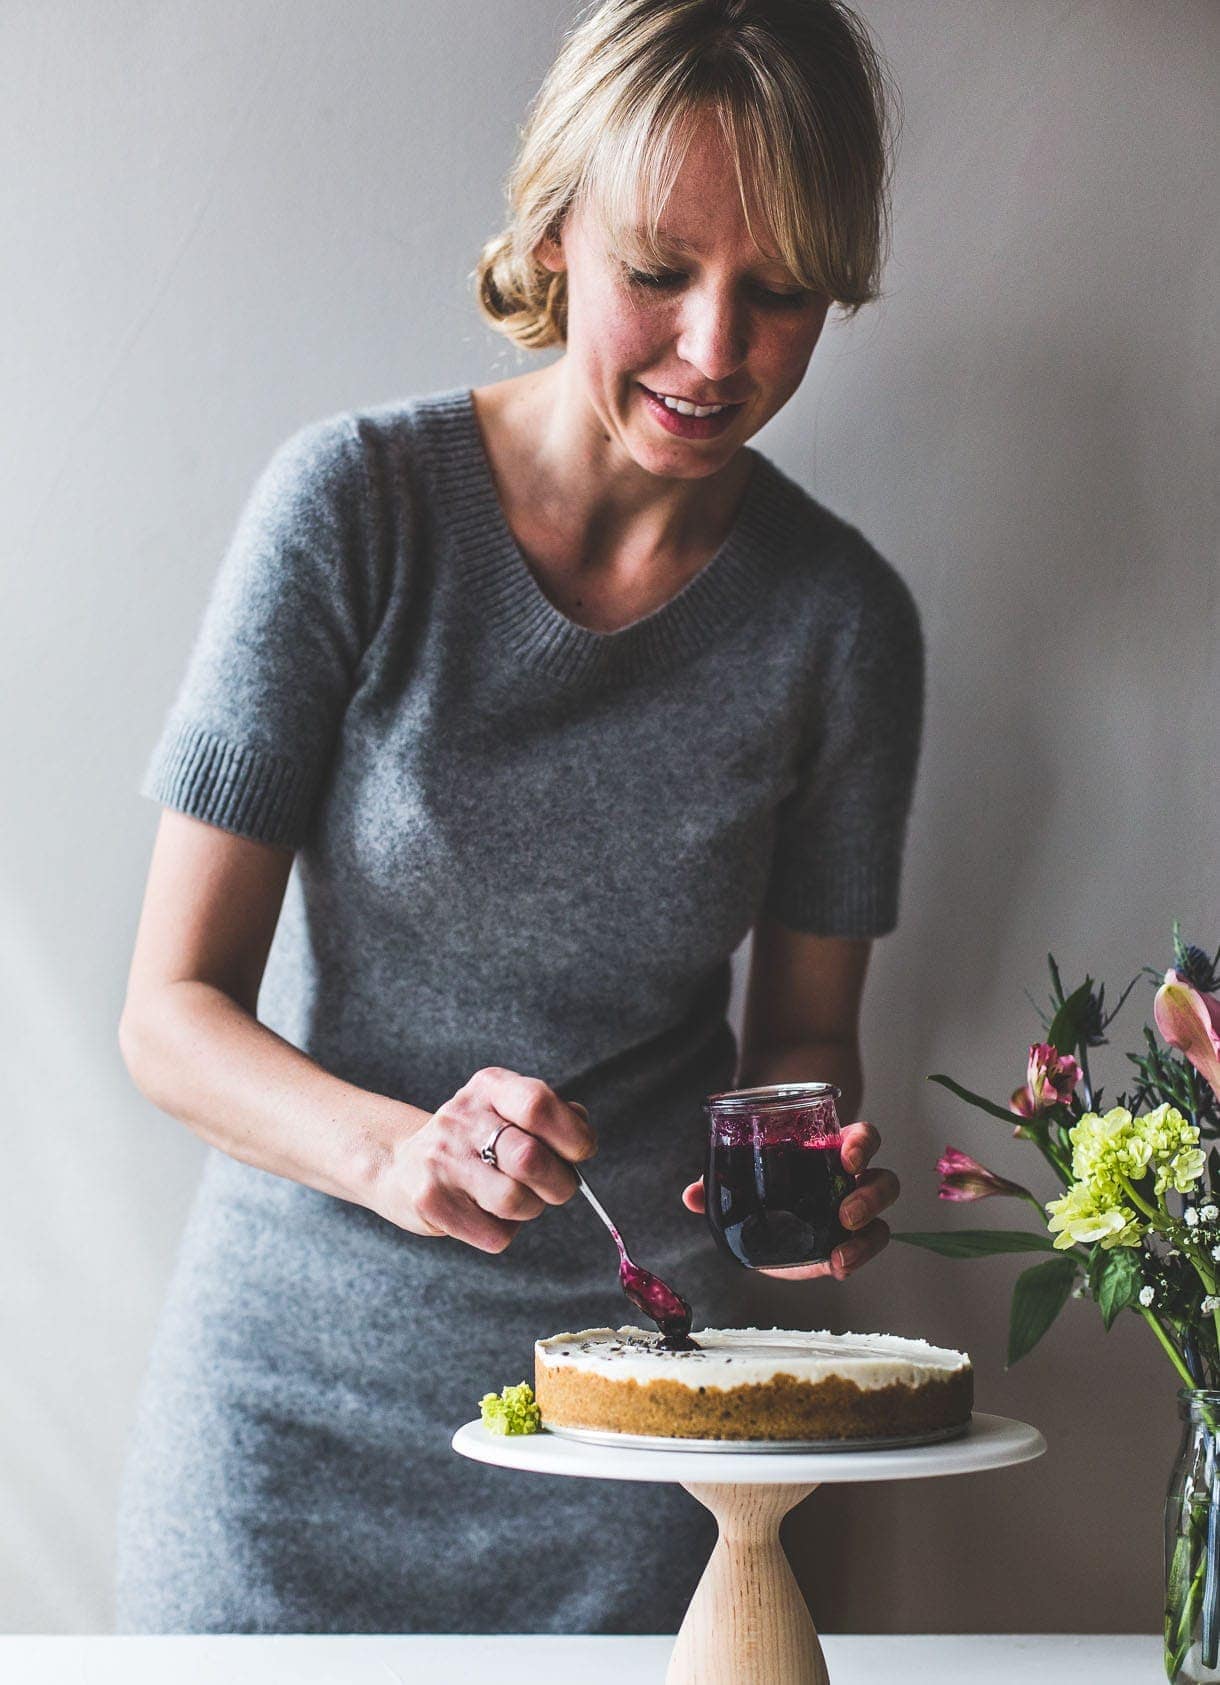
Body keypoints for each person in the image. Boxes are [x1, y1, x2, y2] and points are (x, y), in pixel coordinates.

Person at [115, 0, 921, 1636]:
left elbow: (807, 1044)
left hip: (641, 1454)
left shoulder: (845, 623)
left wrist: (806, 1171)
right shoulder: (352, 510)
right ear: (555, 234)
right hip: (288, 1435)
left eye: (776, 294)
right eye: (659, 270)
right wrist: (401, 1152)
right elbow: (166, 1014)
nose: (714, 349)